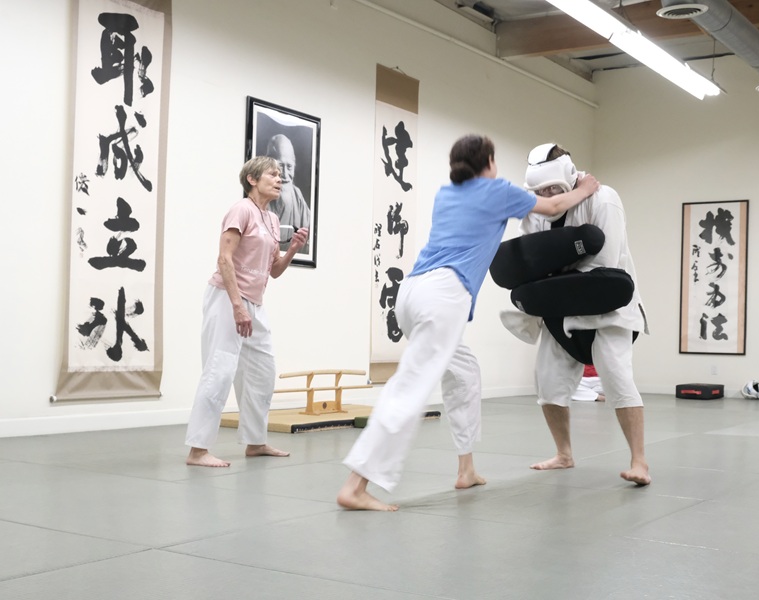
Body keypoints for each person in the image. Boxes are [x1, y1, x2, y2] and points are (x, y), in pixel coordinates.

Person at [337, 134, 600, 511]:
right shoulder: (497, 191)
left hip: (411, 293)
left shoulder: (446, 193)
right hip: (443, 296)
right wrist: (586, 186)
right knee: (410, 389)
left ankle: (467, 469)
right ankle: (356, 485)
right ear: (489, 162)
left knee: (464, 373)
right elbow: (555, 204)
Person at [519, 143, 650, 485]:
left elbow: (604, 262)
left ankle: (639, 461)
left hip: (608, 305)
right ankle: (563, 454)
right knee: (547, 381)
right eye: (540, 190)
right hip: (560, 306)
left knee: (617, 377)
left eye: (551, 189)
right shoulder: (535, 211)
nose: (546, 195)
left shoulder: (603, 198)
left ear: (568, 176)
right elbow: (534, 259)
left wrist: (555, 273)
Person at [185, 156, 310, 467]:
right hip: (227, 299)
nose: (279, 179)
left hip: (254, 303)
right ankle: (198, 450)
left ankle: (256, 442)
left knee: (262, 370)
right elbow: (224, 259)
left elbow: (275, 271)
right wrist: (237, 306)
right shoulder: (241, 209)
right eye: (273, 174)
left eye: (281, 175)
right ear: (253, 179)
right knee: (220, 370)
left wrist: (293, 248)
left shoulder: (269, 218)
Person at [266, 134, 311, 252]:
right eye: (280, 166)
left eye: (289, 166)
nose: (285, 174)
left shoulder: (298, 196)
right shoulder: (260, 199)